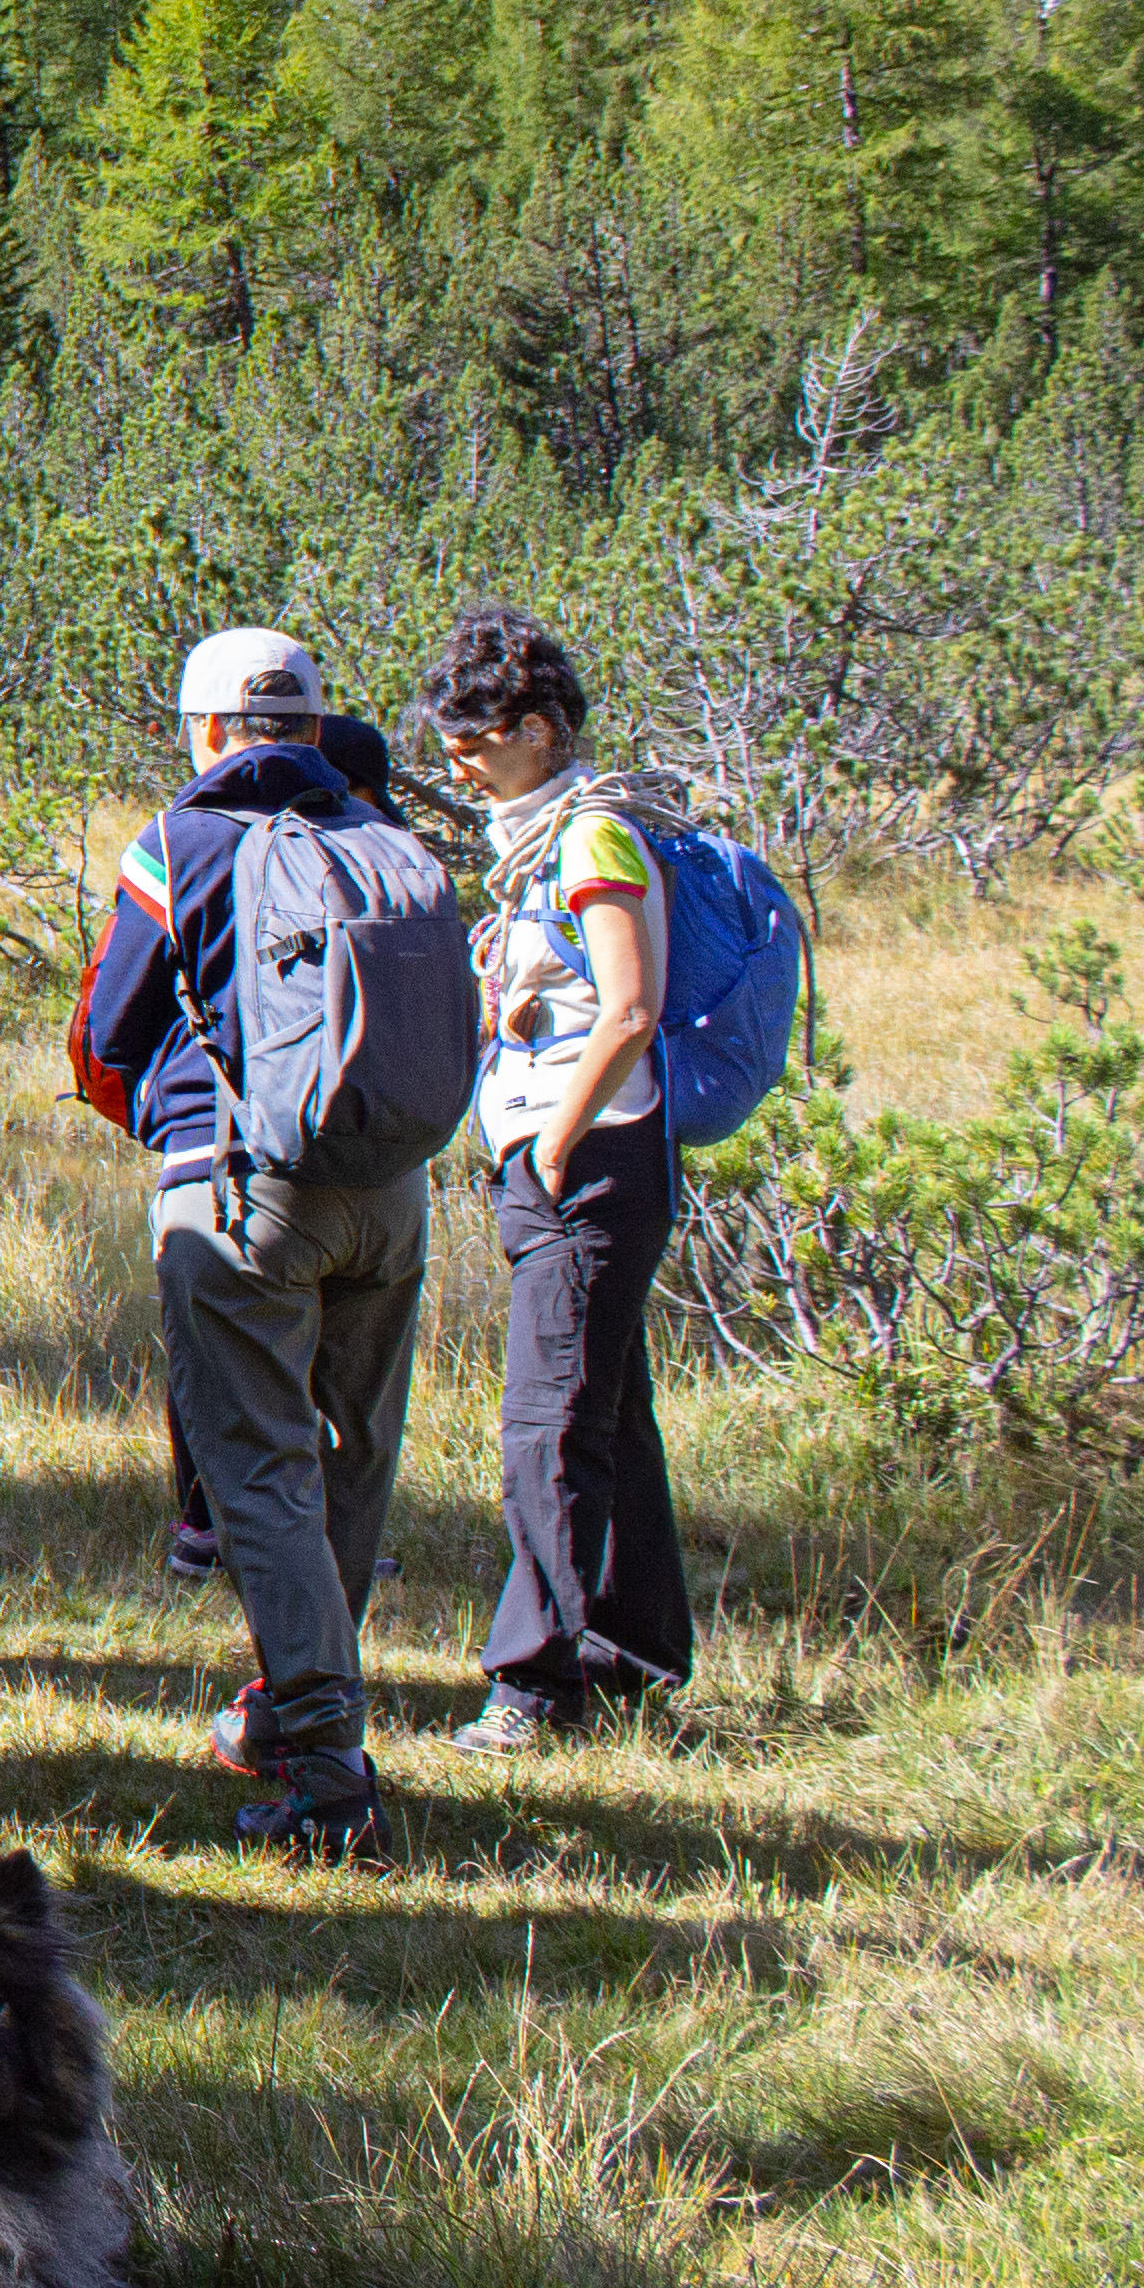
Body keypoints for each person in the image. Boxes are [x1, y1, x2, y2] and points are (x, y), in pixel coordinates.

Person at [79, 626, 428, 1865]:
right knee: (354, 1457)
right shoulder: (386, 840)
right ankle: (296, 1706)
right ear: (316, 728)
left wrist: (167, 1126)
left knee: (261, 1475)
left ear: (209, 730)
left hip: (240, 1194)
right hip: (393, 1195)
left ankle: (329, 1778)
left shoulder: (177, 844)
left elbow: (106, 1030)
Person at [424, 606, 696, 1753]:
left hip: (589, 1165)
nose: (458, 764)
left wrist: (551, 1143)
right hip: (564, 1160)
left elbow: (631, 1009)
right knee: (607, 1411)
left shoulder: (594, 841)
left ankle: (532, 1687)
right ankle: (632, 1657)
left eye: (475, 743)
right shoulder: (541, 849)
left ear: (538, 730)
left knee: (546, 1426)